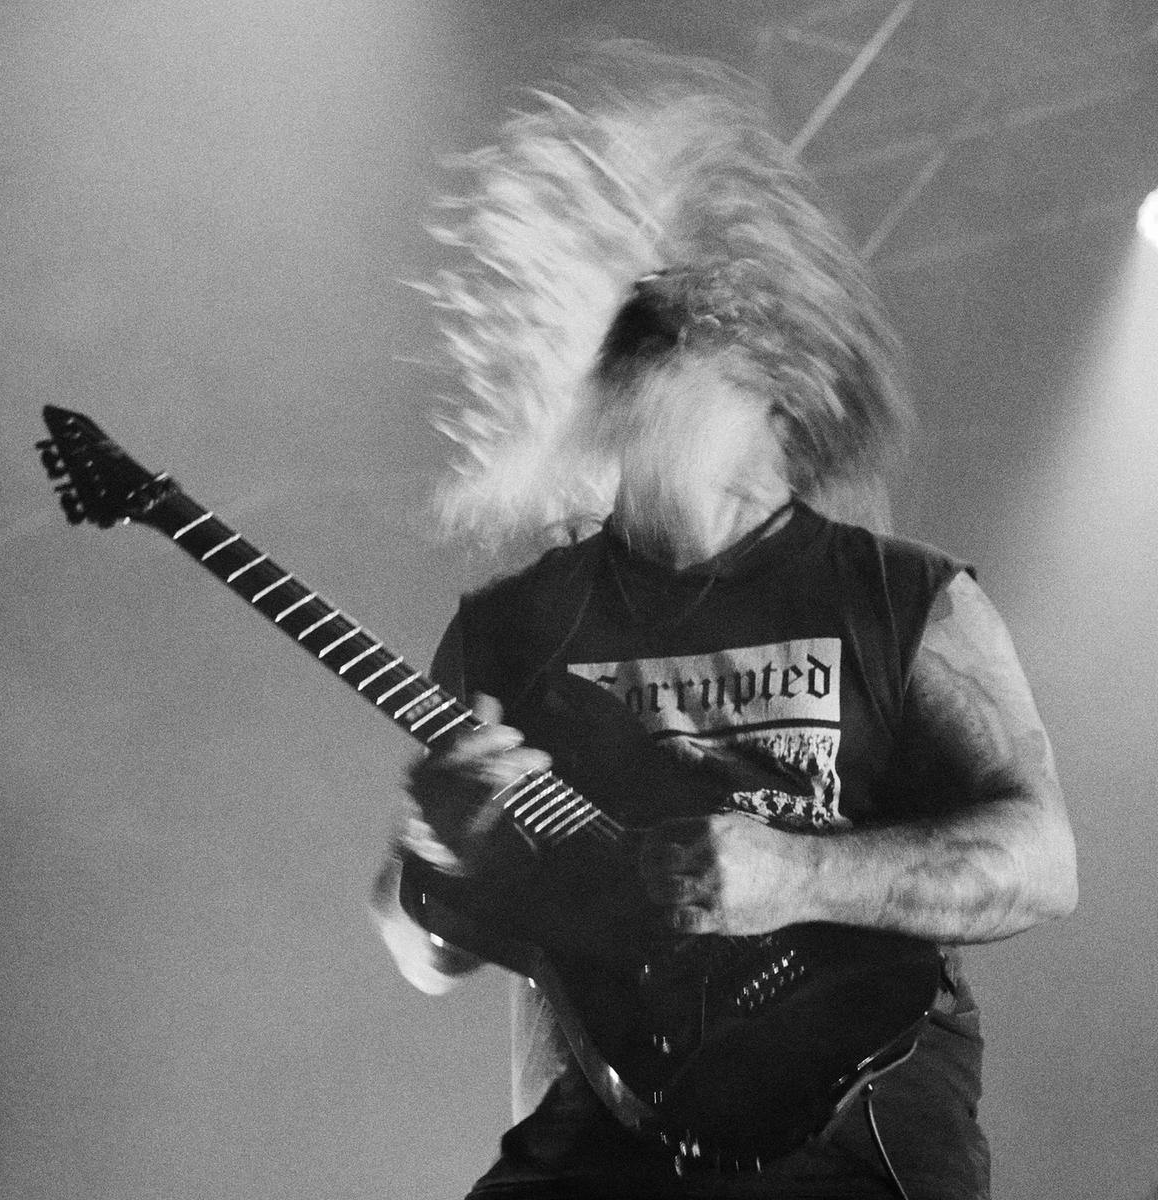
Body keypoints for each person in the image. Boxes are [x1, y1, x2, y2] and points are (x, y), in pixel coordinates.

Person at [371, 42, 1077, 1200]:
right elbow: (423, 949)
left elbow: (1043, 865)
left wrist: (795, 878)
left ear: (768, 354)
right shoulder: (513, 627)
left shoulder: (903, 597)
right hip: (596, 1143)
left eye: (670, 323)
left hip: (856, 1136)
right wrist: (439, 848)